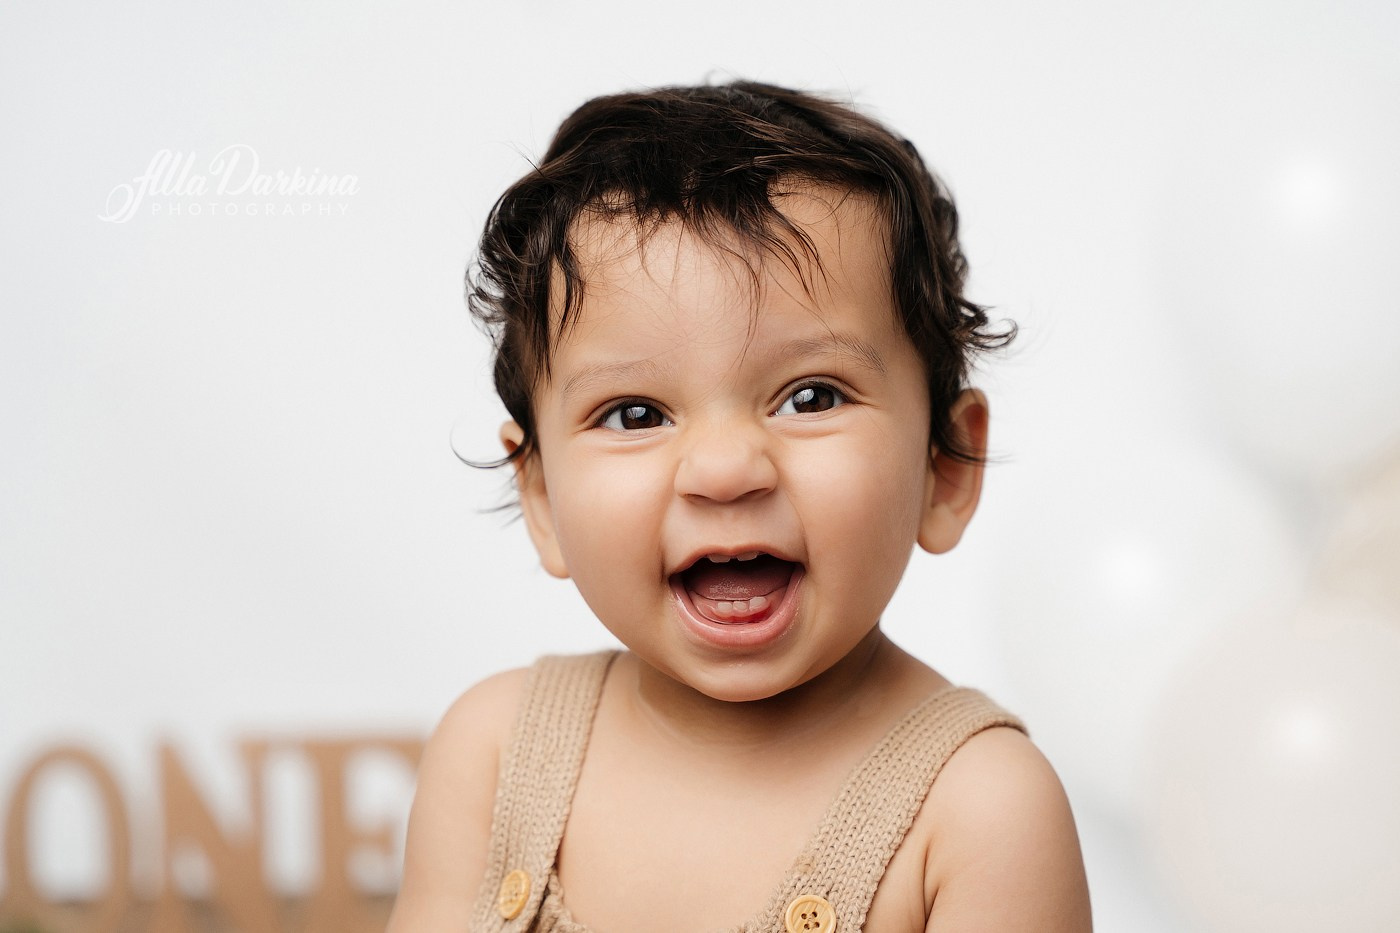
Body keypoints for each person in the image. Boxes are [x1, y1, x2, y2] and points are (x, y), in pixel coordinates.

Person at [388, 80, 1092, 932]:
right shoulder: (495, 757)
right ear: (539, 495)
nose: (724, 471)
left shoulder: (979, 810)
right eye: (635, 414)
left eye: (811, 396)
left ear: (945, 464)